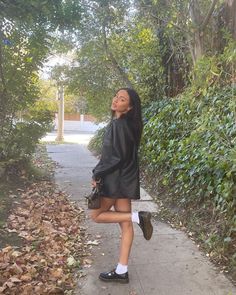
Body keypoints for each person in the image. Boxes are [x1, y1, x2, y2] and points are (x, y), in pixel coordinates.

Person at [90, 87, 153, 284]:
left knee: (96, 215)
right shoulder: (127, 125)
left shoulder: (119, 125)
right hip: (124, 181)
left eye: (122, 99)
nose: (116, 100)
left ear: (129, 107)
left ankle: (138, 216)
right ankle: (122, 270)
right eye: (116, 96)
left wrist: (97, 173)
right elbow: (120, 156)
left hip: (114, 181)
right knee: (125, 226)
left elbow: (115, 158)